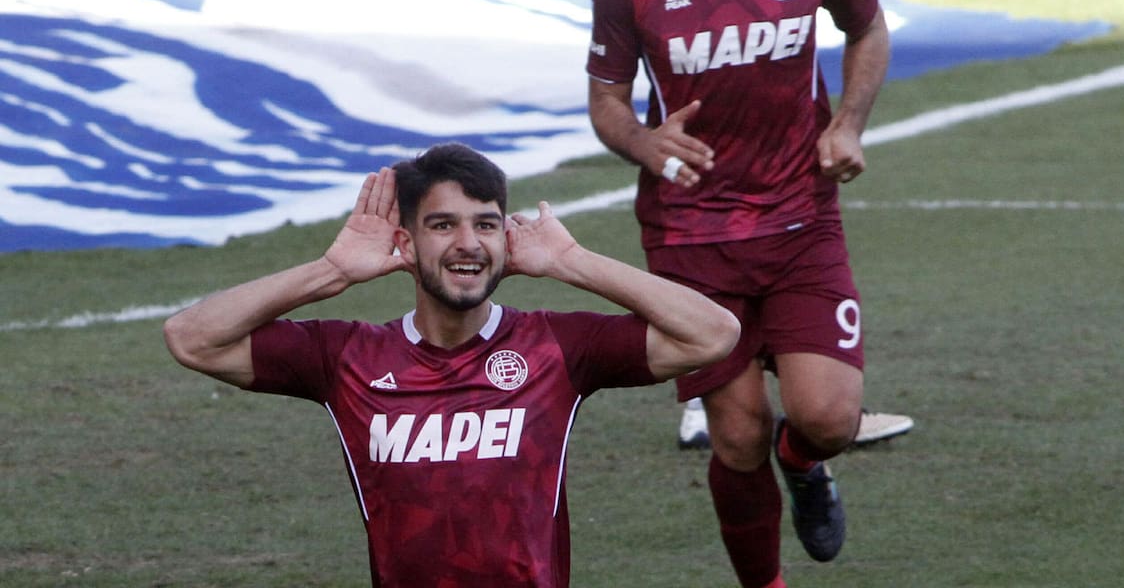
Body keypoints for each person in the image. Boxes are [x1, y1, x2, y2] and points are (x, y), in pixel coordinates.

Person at [162, 143, 740, 588]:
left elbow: (713, 333)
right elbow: (193, 339)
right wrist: (332, 272)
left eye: (485, 224)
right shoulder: (346, 358)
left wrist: (572, 261)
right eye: (443, 225)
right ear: (405, 244)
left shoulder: (556, 348)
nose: (469, 242)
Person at [586, 0, 891, 584]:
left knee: (828, 419)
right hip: (691, 233)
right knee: (736, 437)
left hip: (800, 218)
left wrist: (848, 122)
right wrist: (644, 143)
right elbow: (608, 100)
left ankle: (806, 461)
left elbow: (866, 27)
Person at [660, 0, 914, 453]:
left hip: (792, 200)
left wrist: (847, 122)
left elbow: (862, 22)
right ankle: (712, 392)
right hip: (703, 214)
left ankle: (796, 428)